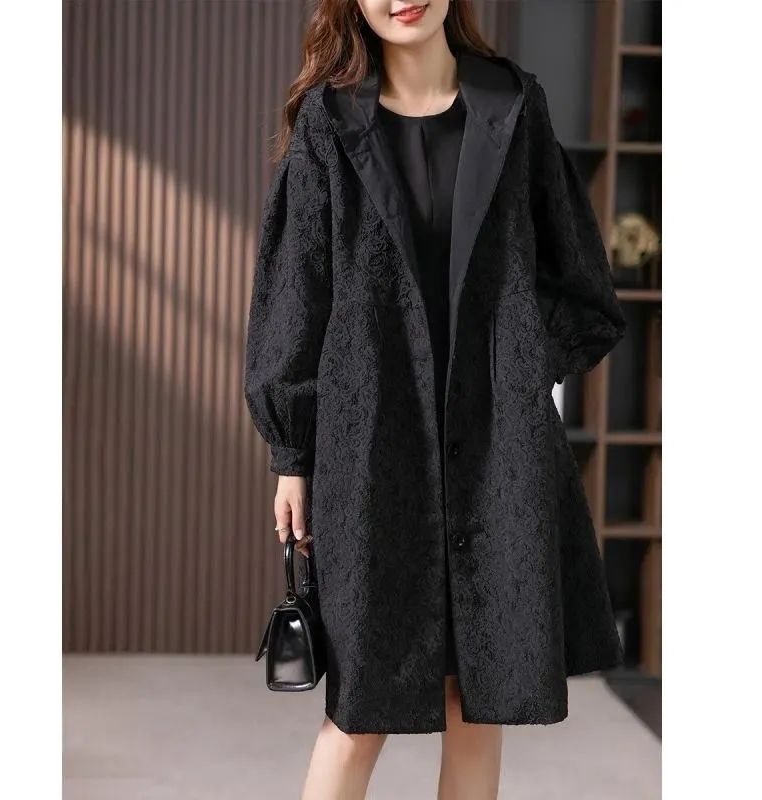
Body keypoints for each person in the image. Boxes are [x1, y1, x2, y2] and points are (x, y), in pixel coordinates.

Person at [243, 2, 627, 798]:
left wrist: (518, 367)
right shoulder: (329, 125)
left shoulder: (513, 106)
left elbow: (581, 280)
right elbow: (294, 298)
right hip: (372, 454)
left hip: (497, 460)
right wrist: (291, 455)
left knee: (474, 707)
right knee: (359, 715)